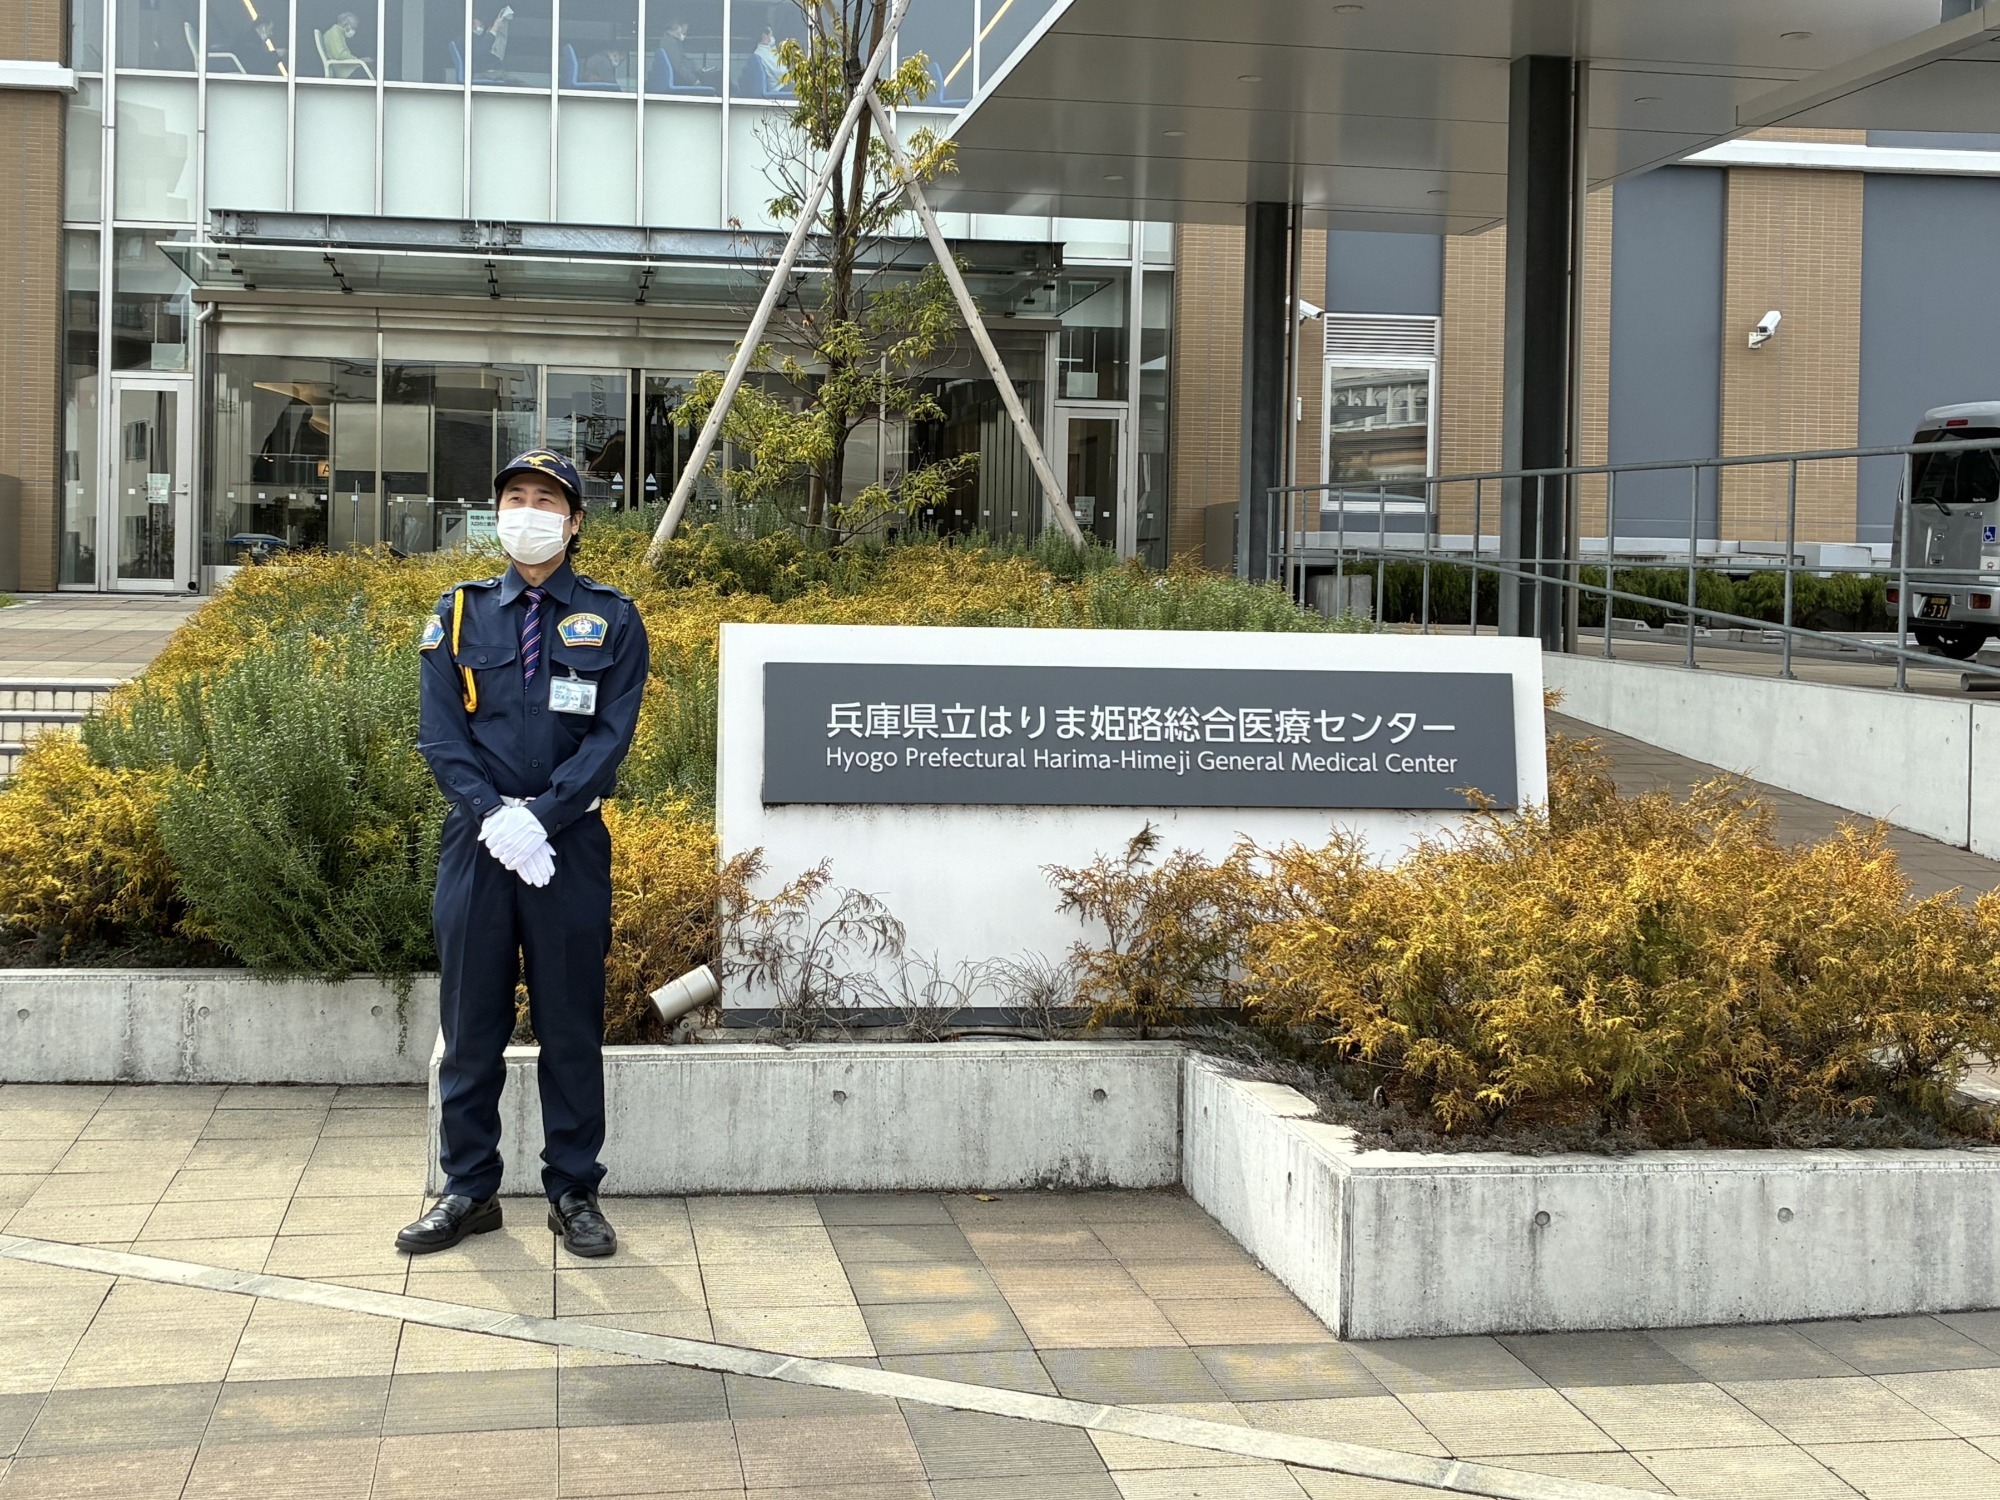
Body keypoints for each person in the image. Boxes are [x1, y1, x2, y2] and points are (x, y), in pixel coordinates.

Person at [398, 449, 650, 1260]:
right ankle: (467, 1190)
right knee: (470, 1024)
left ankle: (573, 1191)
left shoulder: (613, 618)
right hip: (478, 846)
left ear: (574, 523)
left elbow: (610, 737)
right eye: (515, 498)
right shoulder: (459, 612)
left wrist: (541, 817)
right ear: (497, 514)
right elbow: (440, 734)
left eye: (546, 500)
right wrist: (493, 816)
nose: (528, 512)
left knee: (570, 1026)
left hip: (568, 846)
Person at [658, 16, 716, 89]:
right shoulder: (671, 43)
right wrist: (694, 80)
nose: (685, 35)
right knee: (717, 79)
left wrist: (698, 71)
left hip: (683, 78)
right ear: (678, 28)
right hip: (682, 81)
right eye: (684, 32)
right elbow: (678, 67)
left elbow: (682, 63)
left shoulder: (669, 41)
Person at [320, 10, 370, 76]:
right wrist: (359, 60)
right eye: (353, 27)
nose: (354, 31)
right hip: (347, 73)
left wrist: (359, 60)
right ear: (346, 24)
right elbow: (339, 54)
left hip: (349, 70)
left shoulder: (338, 33)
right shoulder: (334, 33)